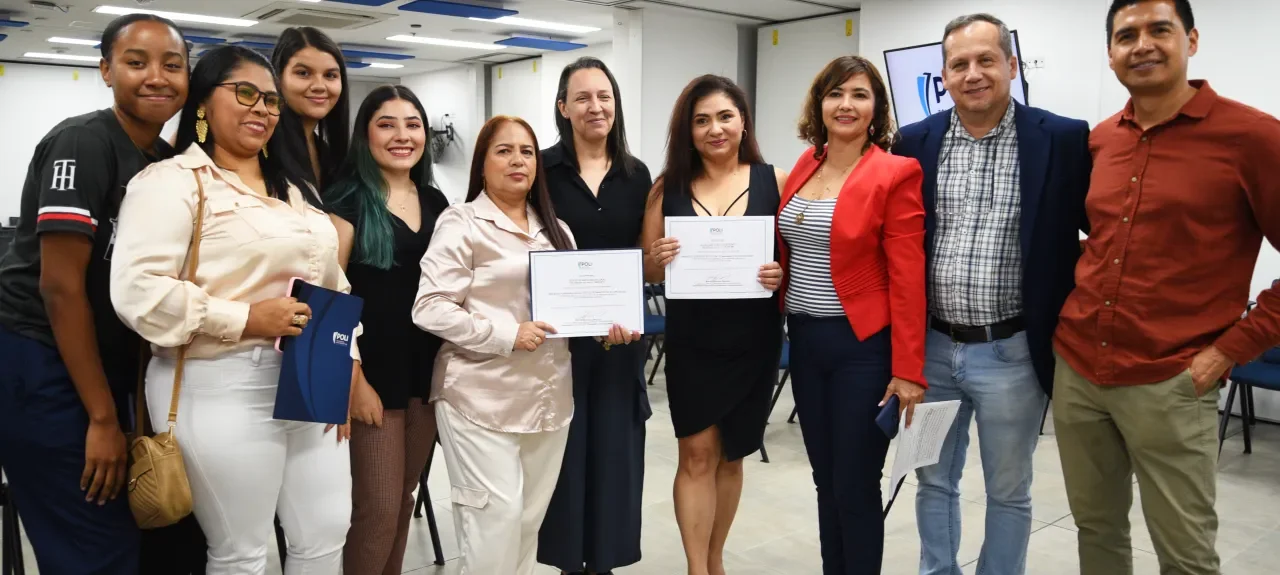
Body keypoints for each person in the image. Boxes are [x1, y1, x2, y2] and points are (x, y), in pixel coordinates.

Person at [109, 45, 357, 575]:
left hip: (311, 380)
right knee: (243, 551)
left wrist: (347, 365)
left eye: (270, 100)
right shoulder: (174, 182)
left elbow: (332, 283)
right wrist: (245, 318)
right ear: (203, 103)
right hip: (219, 382)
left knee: (325, 533)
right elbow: (138, 292)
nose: (262, 109)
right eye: (246, 93)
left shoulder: (294, 190)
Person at [1054, 0, 1280, 573]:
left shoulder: (1252, 137)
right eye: (1126, 35)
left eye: (1160, 29)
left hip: (1173, 380)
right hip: (1080, 371)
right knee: (1097, 531)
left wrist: (1231, 350)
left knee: (1185, 554)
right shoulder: (1103, 140)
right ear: (1110, 54)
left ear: (1192, 40)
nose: (1143, 45)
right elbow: (1105, 239)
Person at [891, 14, 1092, 575]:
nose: (973, 74)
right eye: (959, 64)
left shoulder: (1062, 138)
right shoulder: (914, 142)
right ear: (944, 75)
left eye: (986, 60)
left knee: (1009, 488)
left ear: (1012, 65)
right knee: (932, 480)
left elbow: (1102, 233)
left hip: (1013, 352)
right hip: (931, 350)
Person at [0, 14, 189, 574]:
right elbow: (59, 288)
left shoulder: (159, 161)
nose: (156, 76)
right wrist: (104, 420)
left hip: (101, 364)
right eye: (136, 62)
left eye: (172, 65)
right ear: (106, 70)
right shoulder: (82, 141)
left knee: (123, 536)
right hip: (42, 358)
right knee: (93, 545)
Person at [776, 55, 926, 575]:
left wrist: (908, 370)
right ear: (819, 103)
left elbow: (908, 278)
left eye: (860, 95)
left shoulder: (895, 172)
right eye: (836, 93)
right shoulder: (804, 165)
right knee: (824, 479)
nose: (846, 104)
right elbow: (791, 248)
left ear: (876, 108)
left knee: (856, 483)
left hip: (862, 349)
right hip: (806, 342)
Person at [412, 115, 577, 575]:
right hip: (478, 397)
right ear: (482, 164)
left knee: (526, 524)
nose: (518, 160)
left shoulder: (558, 230)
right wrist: (507, 335)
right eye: (504, 151)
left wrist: (604, 326)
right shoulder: (461, 222)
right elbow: (430, 308)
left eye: (526, 151)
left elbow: (572, 312)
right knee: (494, 524)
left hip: (547, 398)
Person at [641, 75, 785, 575]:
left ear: (743, 121)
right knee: (696, 454)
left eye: (725, 116)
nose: (715, 129)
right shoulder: (668, 188)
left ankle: (716, 556)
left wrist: (779, 272)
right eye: (701, 120)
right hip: (694, 340)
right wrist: (657, 257)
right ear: (688, 130)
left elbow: (793, 259)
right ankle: (695, 567)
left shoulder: (776, 180)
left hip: (753, 339)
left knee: (732, 455)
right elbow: (647, 269)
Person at [324, 85, 450, 575]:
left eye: (413, 124)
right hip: (372, 376)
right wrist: (353, 381)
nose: (403, 135)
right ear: (365, 135)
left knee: (402, 497)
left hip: (427, 374)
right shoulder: (346, 201)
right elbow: (330, 301)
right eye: (387, 124)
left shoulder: (437, 201)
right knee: (375, 509)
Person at [537, 57, 651, 575]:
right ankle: (567, 564)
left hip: (619, 345)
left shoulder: (636, 174)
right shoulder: (541, 170)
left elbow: (642, 254)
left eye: (604, 95)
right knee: (563, 461)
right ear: (563, 108)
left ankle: (602, 564)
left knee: (613, 462)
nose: (595, 106)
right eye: (582, 97)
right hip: (557, 347)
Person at [272, 26, 350, 191]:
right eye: (303, 73)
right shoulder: (264, 146)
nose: (319, 86)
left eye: (330, 75)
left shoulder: (329, 154)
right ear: (278, 78)